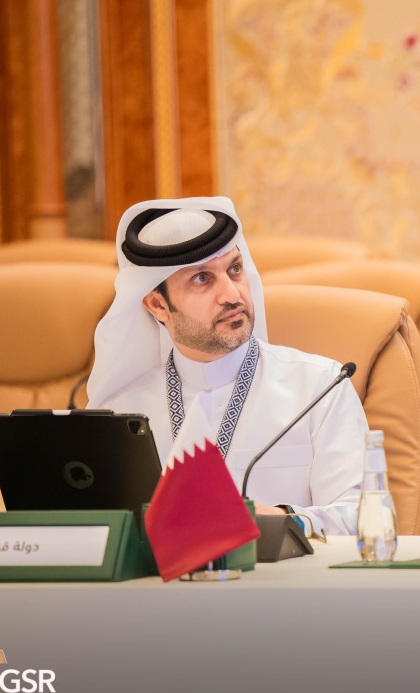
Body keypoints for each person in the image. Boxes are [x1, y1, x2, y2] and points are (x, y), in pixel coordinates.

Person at [87, 196, 368, 535]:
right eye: (202, 279)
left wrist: (279, 520)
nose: (232, 295)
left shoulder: (320, 388)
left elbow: (360, 518)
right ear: (158, 304)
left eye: (235, 269)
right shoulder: (122, 412)